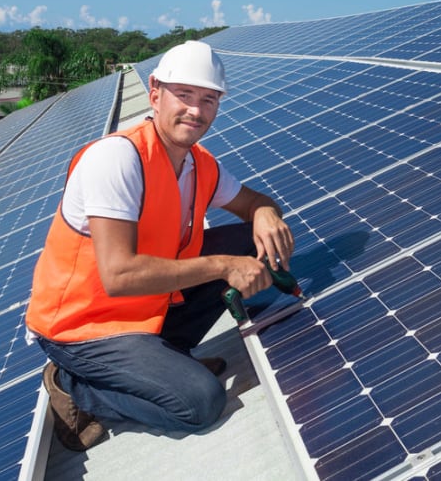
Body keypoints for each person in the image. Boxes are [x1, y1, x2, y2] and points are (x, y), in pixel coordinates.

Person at [25, 40, 294, 451]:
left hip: (145, 307)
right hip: (83, 327)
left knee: (251, 240)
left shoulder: (199, 163)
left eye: (208, 99)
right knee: (200, 403)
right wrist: (223, 266)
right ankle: (73, 384)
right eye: (183, 95)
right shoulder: (118, 160)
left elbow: (255, 202)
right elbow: (118, 275)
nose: (196, 110)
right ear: (154, 93)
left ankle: (165, 359)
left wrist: (264, 212)